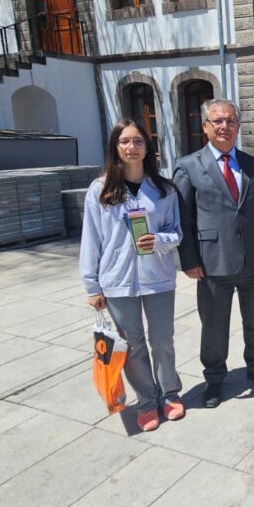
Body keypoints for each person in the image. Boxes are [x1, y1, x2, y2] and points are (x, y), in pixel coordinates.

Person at [174, 99, 254, 408]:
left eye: (230, 120)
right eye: (217, 121)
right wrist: (189, 260)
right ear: (205, 127)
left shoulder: (252, 164)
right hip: (211, 264)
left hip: (253, 259)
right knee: (215, 326)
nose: (224, 126)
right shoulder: (188, 166)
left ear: (238, 125)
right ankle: (215, 380)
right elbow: (184, 217)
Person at [80, 119, 184, 432]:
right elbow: (91, 240)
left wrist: (160, 241)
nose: (132, 147)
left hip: (158, 278)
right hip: (117, 282)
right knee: (133, 344)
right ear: (115, 147)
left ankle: (169, 394)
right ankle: (147, 401)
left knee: (162, 339)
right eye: (125, 142)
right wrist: (92, 285)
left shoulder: (164, 189)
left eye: (138, 141)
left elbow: (175, 232)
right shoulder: (101, 191)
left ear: (147, 147)